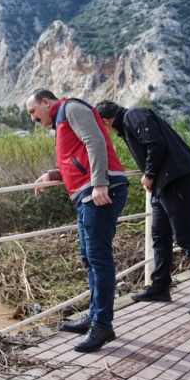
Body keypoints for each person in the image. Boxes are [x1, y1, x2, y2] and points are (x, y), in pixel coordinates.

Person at [95, 100, 190, 316]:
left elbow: (155, 143)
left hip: (176, 180)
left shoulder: (133, 115)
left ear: (106, 121)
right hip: (164, 185)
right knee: (159, 235)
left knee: (187, 237)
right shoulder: (128, 123)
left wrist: (149, 174)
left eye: (102, 126)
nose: (104, 131)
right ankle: (160, 287)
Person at [26, 88, 128, 353]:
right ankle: (95, 317)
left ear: (46, 102)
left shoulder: (71, 108)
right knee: (89, 257)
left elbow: (94, 141)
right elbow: (77, 159)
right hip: (87, 196)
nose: (33, 119)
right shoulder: (61, 120)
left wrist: (100, 183)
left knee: (98, 258)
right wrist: (51, 174)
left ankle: (102, 325)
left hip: (100, 193)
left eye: (33, 112)